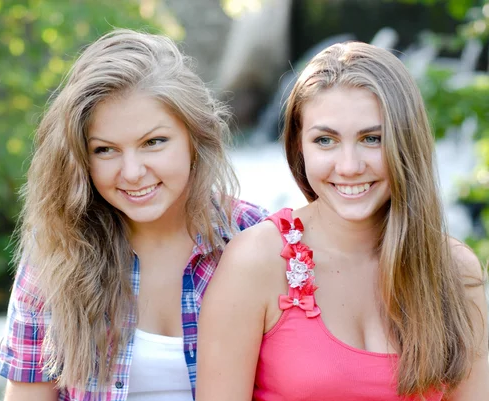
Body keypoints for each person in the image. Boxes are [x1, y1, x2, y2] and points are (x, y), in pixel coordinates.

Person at [195, 41, 489, 400]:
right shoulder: (256, 261)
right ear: (298, 146)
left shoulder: (456, 272)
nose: (349, 166)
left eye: (372, 138)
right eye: (325, 140)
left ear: (406, 141)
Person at [0, 29, 267, 401]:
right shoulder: (57, 252)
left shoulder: (258, 239)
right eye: (106, 150)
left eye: (153, 142)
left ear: (195, 138)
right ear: (81, 158)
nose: (133, 171)